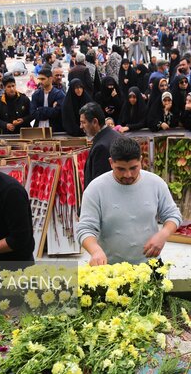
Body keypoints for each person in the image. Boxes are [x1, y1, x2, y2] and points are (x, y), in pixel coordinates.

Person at [77, 136, 182, 265]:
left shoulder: (156, 183)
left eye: (133, 168)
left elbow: (173, 214)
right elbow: (85, 228)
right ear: (111, 163)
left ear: (141, 161)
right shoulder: (95, 189)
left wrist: (163, 234)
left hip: (150, 263)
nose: (128, 175)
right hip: (110, 266)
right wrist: (95, 251)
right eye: (121, 169)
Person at [79, 102, 121, 189]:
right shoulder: (114, 135)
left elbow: (99, 185)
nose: (81, 126)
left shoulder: (101, 147)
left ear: (95, 122)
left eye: (83, 122)